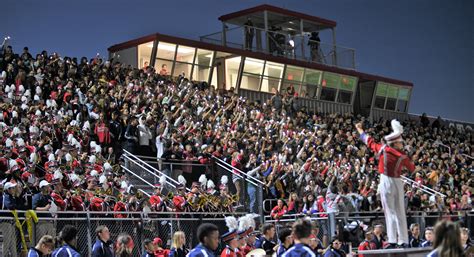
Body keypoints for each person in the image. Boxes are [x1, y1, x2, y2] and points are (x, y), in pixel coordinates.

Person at [356, 120, 415, 247]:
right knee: (400, 212)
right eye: (400, 142)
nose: (402, 144)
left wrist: (360, 130)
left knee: (390, 212)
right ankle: (403, 240)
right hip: (397, 182)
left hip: (385, 181)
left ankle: (392, 240)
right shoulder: (402, 155)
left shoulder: (383, 149)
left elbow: (368, 141)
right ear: (395, 143)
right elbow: (412, 168)